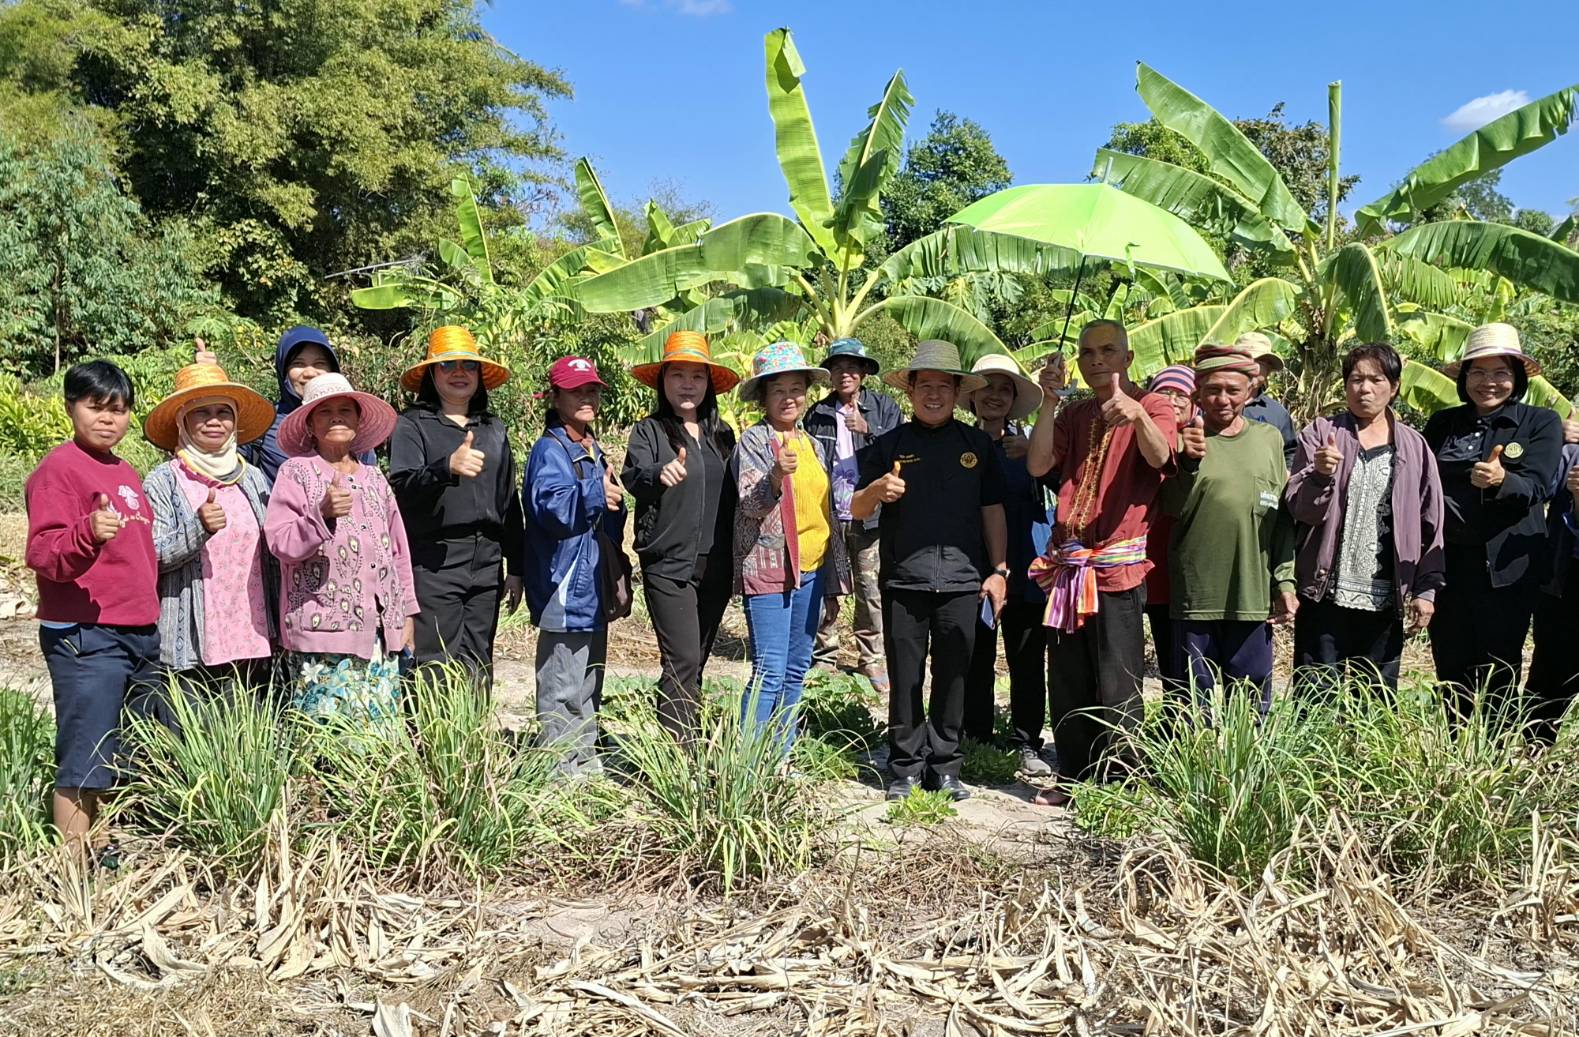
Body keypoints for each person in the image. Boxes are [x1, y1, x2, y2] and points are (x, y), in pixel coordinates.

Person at [1025, 320, 1176, 807]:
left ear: (1127, 359)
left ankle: (1122, 783)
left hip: (1116, 567)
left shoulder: (1152, 405)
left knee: (1118, 678)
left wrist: (1137, 415)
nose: (1096, 360)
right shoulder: (1074, 413)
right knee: (1067, 676)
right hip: (1069, 565)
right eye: (1087, 352)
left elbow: (1162, 457)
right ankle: (1073, 776)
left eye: (1108, 351)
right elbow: (1037, 464)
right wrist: (1048, 402)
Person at [852, 340, 1007, 802]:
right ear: (911, 391)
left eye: (944, 386)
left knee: (954, 676)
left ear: (958, 392)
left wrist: (999, 570)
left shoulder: (977, 446)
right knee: (905, 677)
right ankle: (904, 767)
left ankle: (945, 766)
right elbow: (855, 507)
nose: (934, 395)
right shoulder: (889, 445)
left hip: (962, 581)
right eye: (925, 386)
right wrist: (877, 490)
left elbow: (992, 510)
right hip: (904, 580)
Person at [25, 361, 160, 855]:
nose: (108, 418)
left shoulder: (124, 471)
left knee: (123, 754)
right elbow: (42, 552)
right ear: (70, 407)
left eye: (119, 409)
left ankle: (104, 855)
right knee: (84, 757)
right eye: (96, 406)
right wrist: (86, 533)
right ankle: (71, 874)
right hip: (87, 634)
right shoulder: (58, 470)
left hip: (138, 630)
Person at [1285, 343, 1444, 694]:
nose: (1364, 389)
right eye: (1356, 379)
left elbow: (1431, 522)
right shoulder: (1321, 434)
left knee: (1375, 698)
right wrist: (1320, 475)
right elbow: (1300, 509)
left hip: (1386, 597)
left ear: (1395, 387)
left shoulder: (1415, 447)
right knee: (1314, 696)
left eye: (1376, 380)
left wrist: (1426, 589)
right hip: (1324, 594)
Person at [1424, 323, 1561, 720]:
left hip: (1506, 569)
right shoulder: (1443, 423)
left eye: (1500, 372)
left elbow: (1539, 487)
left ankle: (1494, 748)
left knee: (1499, 665)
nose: (1489, 382)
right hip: (1448, 565)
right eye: (1478, 372)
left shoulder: (1540, 422)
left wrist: (1503, 480)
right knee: (1450, 662)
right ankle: (1455, 744)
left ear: (1516, 379)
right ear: (1464, 378)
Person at [264, 373, 418, 723]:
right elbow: (280, 542)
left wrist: (407, 613)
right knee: (327, 739)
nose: (336, 418)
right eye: (325, 412)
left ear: (358, 421)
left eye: (345, 410)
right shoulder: (296, 473)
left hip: (379, 634)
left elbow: (397, 552)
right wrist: (320, 514)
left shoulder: (375, 478)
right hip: (322, 637)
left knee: (378, 737)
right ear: (310, 425)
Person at [388, 326, 525, 687]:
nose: (459, 373)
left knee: (479, 657)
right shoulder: (412, 424)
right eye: (448, 365)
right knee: (434, 660)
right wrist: (445, 468)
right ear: (432, 375)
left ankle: (472, 724)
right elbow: (401, 488)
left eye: (469, 365)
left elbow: (508, 500)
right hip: (435, 559)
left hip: (487, 560)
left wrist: (516, 565)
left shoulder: (492, 428)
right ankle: (435, 726)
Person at [732, 342, 850, 753]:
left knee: (797, 668)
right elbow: (750, 506)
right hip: (769, 569)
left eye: (796, 389)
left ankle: (781, 755)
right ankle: (748, 762)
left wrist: (834, 579)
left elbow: (825, 513)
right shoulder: (753, 442)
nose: (789, 398)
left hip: (812, 571)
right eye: (778, 390)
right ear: (763, 398)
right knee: (769, 670)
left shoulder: (813, 444)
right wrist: (775, 475)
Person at [1166, 344, 1296, 712]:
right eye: (1213, 390)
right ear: (1198, 394)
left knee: (1252, 709)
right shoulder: (1182, 440)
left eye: (1232, 390)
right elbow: (1169, 508)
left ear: (1250, 392)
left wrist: (1285, 581)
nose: (1222, 399)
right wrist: (1187, 462)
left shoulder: (1268, 439)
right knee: (1192, 709)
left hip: (1251, 597)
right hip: (1196, 599)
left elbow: (1280, 518)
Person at [622, 331, 740, 737]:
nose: (688, 384)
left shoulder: (722, 435)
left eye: (697, 376)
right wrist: (660, 473)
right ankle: (679, 755)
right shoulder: (649, 431)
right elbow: (634, 477)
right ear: (663, 381)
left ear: (709, 384)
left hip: (717, 565)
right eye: (678, 375)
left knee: (698, 659)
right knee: (682, 659)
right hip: (669, 563)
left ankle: (690, 737)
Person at [143, 362, 279, 688]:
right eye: (202, 412)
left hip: (253, 635)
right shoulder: (163, 481)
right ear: (183, 421)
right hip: (193, 642)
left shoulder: (253, 478)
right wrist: (198, 528)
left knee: (249, 718)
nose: (214, 421)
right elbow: (151, 555)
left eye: (223, 412)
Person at [524, 357, 627, 775]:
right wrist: (596, 493)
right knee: (562, 683)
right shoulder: (550, 450)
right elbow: (550, 507)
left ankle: (583, 762)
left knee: (587, 681)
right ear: (555, 397)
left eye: (592, 390)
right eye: (576, 391)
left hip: (590, 583)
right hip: (564, 582)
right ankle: (557, 772)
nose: (587, 398)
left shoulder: (590, 446)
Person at [959, 354, 1056, 777]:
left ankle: (1026, 740)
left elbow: (1064, 481)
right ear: (972, 396)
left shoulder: (1032, 442)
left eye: (1004, 389)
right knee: (975, 657)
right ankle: (976, 737)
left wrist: (1034, 456)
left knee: (1027, 659)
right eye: (987, 388)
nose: (994, 396)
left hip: (1027, 568)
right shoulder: (960, 444)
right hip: (974, 569)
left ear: (1015, 400)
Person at [804, 337, 901, 690]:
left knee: (869, 588)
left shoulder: (883, 408)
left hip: (869, 514)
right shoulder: (817, 414)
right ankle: (824, 655)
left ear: (863, 373)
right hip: (828, 514)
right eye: (837, 368)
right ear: (830, 375)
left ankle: (871, 658)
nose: (844, 374)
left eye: (851, 368)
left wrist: (868, 430)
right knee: (826, 588)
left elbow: (901, 450)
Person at [243, 326, 370, 484]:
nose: (310, 373)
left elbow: (370, 484)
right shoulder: (263, 422)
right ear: (284, 370)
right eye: (298, 363)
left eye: (319, 363)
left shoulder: (351, 424)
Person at [1140, 365, 1195, 700]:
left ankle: (1177, 720)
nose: (1172, 401)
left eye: (1181, 395)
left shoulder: (1200, 442)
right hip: (1134, 563)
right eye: (1164, 393)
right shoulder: (1138, 436)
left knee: (1177, 662)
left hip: (1175, 570)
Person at [1526, 436, 1579, 741]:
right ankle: (1533, 753)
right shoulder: (1570, 453)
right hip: (1565, 583)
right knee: (1549, 678)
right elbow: (1534, 489)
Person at [1236, 331, 1297, 468]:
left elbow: (1290, 451)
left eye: (1265, 364)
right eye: (1249, 361)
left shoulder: (1277, 413)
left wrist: (1286, 473)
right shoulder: (1212, 404)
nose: (1255, 368)